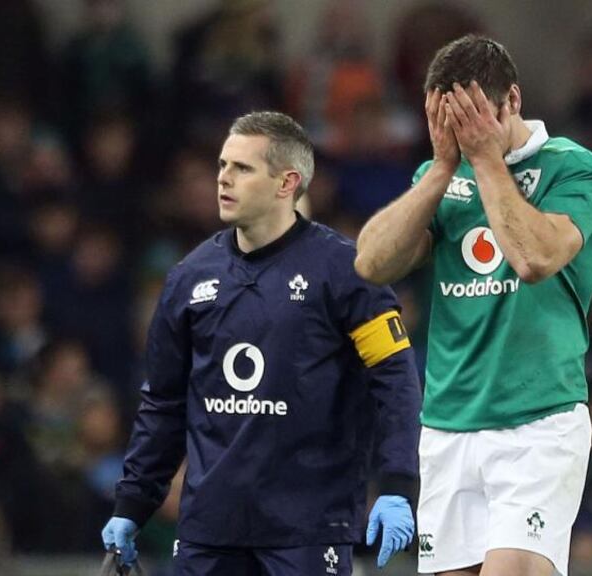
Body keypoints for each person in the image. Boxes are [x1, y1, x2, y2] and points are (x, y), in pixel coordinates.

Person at [100, 111, 421, 575]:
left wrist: (397, 483)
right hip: (209, 531)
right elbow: (164, 403)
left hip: (307, 531)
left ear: (287, 182)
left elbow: (395, 381)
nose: (223, 179)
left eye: (242, 168)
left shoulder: (348, 273)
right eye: (222, 166)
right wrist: (132, 502)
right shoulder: (189, 278)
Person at [356, 35, 592, 576]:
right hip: (448, 425)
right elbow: (372, 263)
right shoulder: (439, 177)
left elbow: (534, 258)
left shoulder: (576, 169)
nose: (463, 133)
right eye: (449, 121)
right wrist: (443, 168)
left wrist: (485, 160)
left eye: (474, 118)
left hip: (537, 421)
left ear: (512, 101)